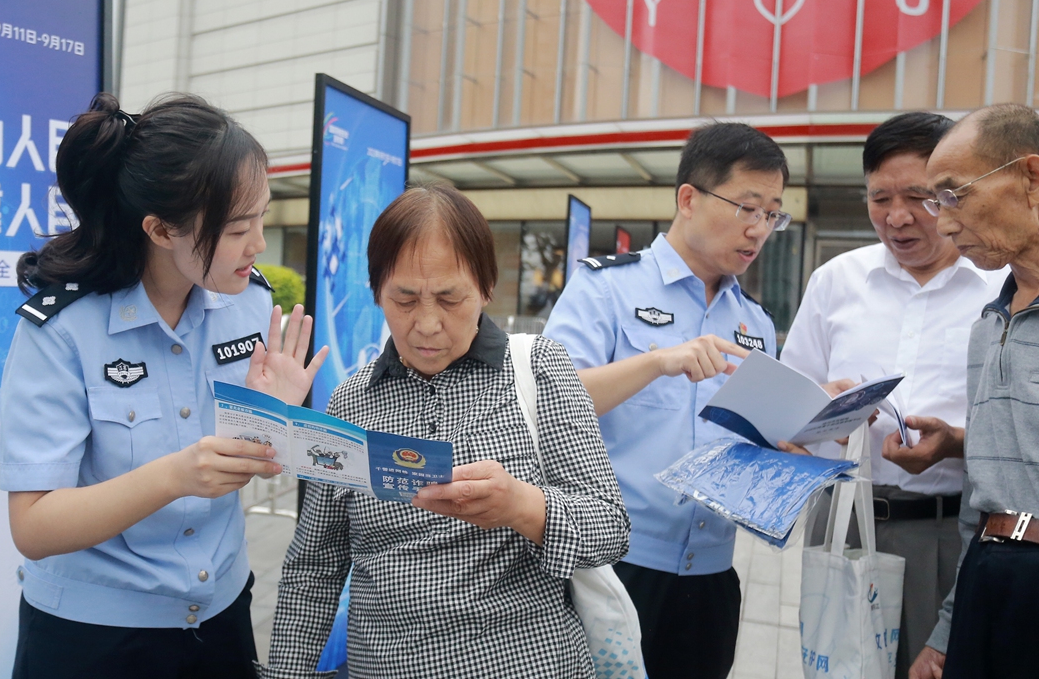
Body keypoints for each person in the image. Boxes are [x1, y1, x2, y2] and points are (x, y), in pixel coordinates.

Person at [0, 92, 327, 679]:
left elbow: (246, 452)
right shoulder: (63, 331)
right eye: (236, 228)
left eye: (262, 218)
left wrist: (275, 419)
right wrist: (176, 475)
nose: (258, 245)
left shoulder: (250, 307)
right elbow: (34, 526)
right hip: (92, 640)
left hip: (222, 616)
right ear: (160, 228)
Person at [263, 186, 630, 678]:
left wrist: (522, 506)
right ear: (376, 292)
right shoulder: (351, 401)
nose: (427, 324)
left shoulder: (539, 368)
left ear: (485, 286)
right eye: (405, 299)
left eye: (449, 298)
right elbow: (316, 563)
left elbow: (609, 528)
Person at [543, 122, 788, 679]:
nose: (759, 229)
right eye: (747, 208)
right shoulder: (606, 287)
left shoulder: (755, 323)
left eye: (772, 214)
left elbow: (757, 446)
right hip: (614, 565)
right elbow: (551, 400)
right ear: (688, 199)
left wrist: (809, 433)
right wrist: (657, 361)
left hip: (712, 577)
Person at [777, 112, 1008, 679]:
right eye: (879, 198)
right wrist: (814, 414)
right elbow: (789, 405)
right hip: (844, 521)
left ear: (953, 196)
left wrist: (953, 444)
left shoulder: (1000, 288)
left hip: (949, 528)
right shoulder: (837, 280)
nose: (897, 217)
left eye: (919, 197)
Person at [915, 103, 1039, 679]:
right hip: (988, 579)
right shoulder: (988, 327)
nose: (941, 222)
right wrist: (945, 631)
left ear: (1031, 178)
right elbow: (980, 501)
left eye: (953, 194)